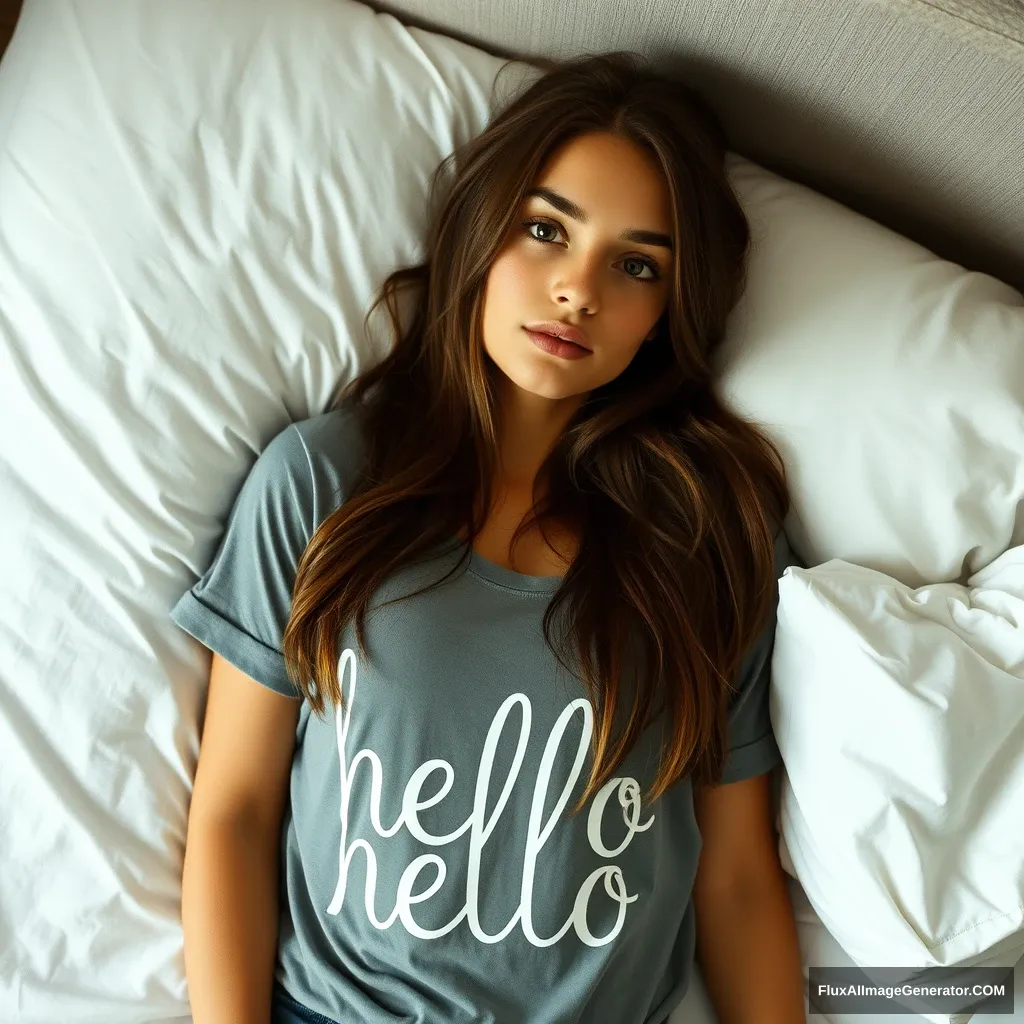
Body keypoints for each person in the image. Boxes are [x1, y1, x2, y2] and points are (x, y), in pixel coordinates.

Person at [171, 50, 806, 1024]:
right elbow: (235, 813)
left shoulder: (709, 536)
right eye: (546, 230)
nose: (576, 290)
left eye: (635, 264)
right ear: (481, 231)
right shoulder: (323, 482)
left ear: (666, 312)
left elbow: (734, 878)